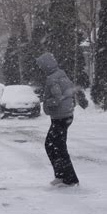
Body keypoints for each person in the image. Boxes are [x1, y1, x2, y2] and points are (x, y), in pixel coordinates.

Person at [36, 52, 79, 187]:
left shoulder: (52, 79)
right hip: (66, 115)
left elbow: (57, 98)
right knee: (56, 146)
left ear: (46, 66)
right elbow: (71, 91)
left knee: (53, 146)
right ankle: (63, 176)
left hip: (60, 117)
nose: (41, 69)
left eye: (41, 66)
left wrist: (46, 102)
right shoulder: (62, 74)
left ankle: (69, 178)